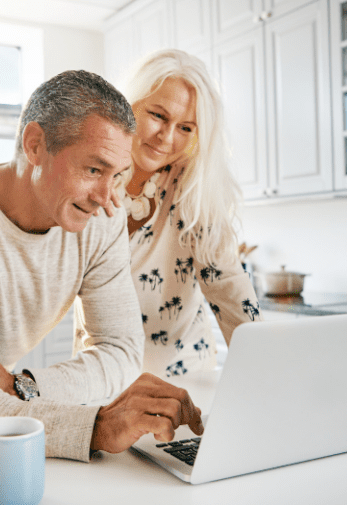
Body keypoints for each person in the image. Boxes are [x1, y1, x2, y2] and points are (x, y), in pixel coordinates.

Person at [0, 70, 203, 462]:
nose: (106, 197)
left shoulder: (103, 220)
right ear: (35, 145)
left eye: (117, 175)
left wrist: (20, 385)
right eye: (93, 170)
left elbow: (122, 353)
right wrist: (96, 428)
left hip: (0, 373)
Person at [113, 49, 262, 377]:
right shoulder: (94, 180)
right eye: (158, 115)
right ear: (129, 105)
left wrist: (268, 369)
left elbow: (227, 284)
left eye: (186, 127)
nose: (166, 137)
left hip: (184, 379)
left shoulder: (192, 186)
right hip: (103, 376)